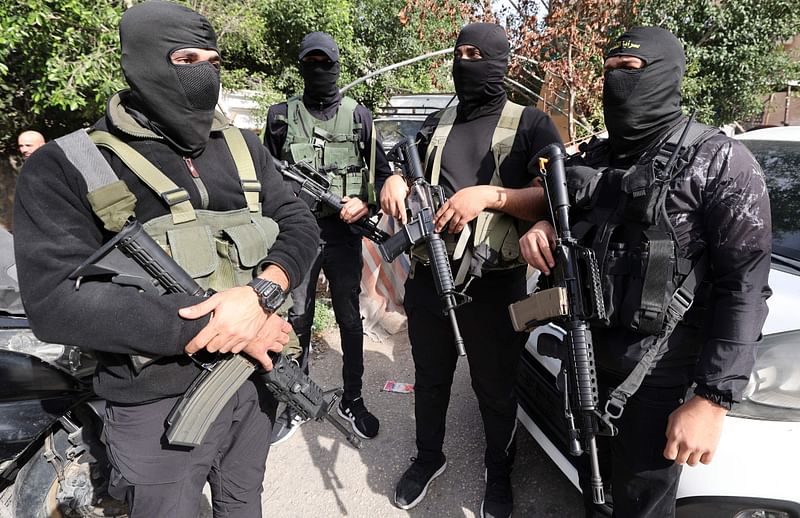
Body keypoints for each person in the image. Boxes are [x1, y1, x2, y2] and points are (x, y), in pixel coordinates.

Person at [13, 2, 318, 517]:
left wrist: (263, 291)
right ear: (142, 61)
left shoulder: (243, 147)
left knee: (244, 503)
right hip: (156, 409)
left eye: (215, 62)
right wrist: (223, 322)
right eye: (187, 58)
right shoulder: (68, 164)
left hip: (255, 381)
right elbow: (55, 303)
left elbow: (299, 223)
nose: (205, 75)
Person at [519, 27, 771, 518]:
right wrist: (545, 224)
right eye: (609, 70)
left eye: (630, 70)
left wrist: (712, 400)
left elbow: (744, 288)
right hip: (584, 356)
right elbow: (568, 210)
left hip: (658, 376)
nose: (616, 82)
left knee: (642, 506)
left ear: (666, 75)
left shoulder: (719, 162)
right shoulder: (595, 156)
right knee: (591, 487)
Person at [380, 23, 562, 518]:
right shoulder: (439, 119)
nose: (464, 61)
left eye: (476, 53)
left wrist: (491, 196)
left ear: (501, 62)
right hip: (428, 277)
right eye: (459, 51)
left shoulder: (531, 124)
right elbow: (394, 158)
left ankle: (498, 471)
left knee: (494, 386)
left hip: (491, 282)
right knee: (431, 376)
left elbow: (556, 198)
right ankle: (428, 457)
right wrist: (392, 179)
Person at [263, 31, 392, 444]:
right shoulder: (281, 116)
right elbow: (265, 179)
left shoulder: (359, 116)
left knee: (349, 320)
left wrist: (365, 204)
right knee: (296, 319)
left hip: (342, 235)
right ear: (301, 66)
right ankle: (298, 399)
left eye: (325, 63)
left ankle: (353, 398)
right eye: (311, 63)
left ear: (337, 65)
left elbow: (383, 177)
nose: (319, 70)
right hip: (295, 235)